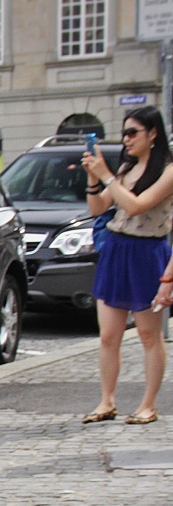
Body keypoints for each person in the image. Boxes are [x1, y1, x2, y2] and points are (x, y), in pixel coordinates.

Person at [82, 105, 173, 425]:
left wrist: (106, 174)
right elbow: (98, 208)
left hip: (148, 253)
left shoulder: (168, 170)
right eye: (124, 133)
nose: (127, 139)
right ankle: (107, 401)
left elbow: (136, 206)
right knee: (108, 335)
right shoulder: (125, 169)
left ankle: (148, 404)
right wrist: (94, 179)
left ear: (153, 134)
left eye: (133, 132)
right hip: (116, 250)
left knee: (150, 336)